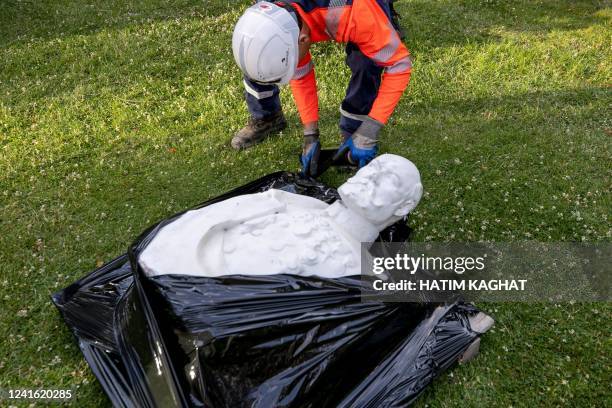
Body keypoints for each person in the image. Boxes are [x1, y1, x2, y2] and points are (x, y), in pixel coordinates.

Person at [139, 154, 423, 278]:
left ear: (402, 207)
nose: (369, 176)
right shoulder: (294, 203)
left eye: (388, 179)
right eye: (372, 167)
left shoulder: (361, 274)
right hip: (171, 263)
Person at [231, 0, 412, 175]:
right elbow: (300, 74)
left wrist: (369, 130)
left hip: (358, 10)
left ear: (302, 38)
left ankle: (355, 132)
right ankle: (268, 117)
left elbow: (400, 66)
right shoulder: (268, 14)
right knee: (257, 55)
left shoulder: (359, 15)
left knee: (366, 64)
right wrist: (310, 134)